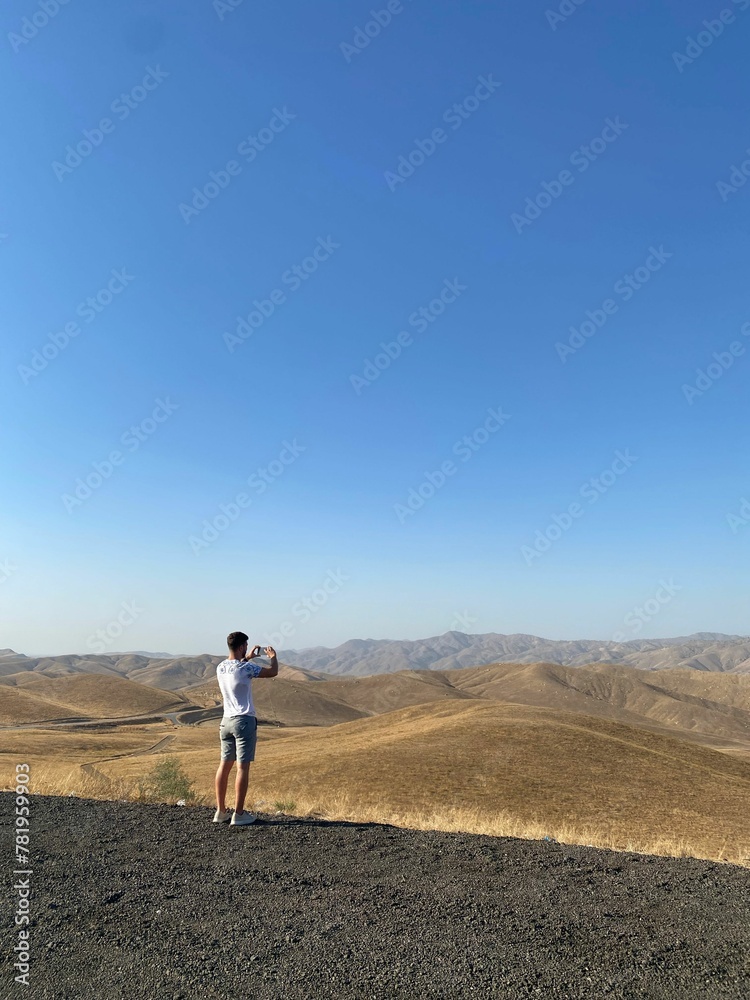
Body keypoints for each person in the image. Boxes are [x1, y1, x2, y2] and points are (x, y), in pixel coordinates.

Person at [213, 631, 278, 826]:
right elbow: (272, 672)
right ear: (241, 646)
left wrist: (247, 656)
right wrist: (273, 658)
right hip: (244, 721)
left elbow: (234, 665)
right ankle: (239, 814)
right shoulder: (246, 668)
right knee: (242, 768)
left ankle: (221, 811)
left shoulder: (220, 667)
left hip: (225, 721)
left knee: (224, 766)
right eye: (245, 646)